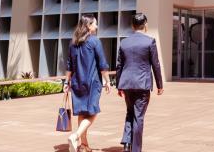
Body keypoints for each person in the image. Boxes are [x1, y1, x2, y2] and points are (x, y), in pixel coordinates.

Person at [115, 13, 163, 152]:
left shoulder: (124, 42)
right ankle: (136, 149)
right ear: (145, 25)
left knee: (130, 112)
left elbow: (119, 65)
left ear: (132, 26)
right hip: (142, 84)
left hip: (127, 84)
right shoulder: (150, 41)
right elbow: (156, 64)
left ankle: (126, 144)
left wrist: (119, 86)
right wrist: (160, 85)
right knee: (138, 117)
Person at [65, 15, 111, 152]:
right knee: (93, 112)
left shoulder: (73, 43)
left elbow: (69, 65)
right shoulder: (95, 41)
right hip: (92, 83)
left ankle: (83, 146)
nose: (96, 27)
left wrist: (66, 82)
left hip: (76, 83)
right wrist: (108, 81)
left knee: (82, 113)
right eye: (95, 24)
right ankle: (76, 136)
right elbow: (102, 63)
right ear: (88, 26)